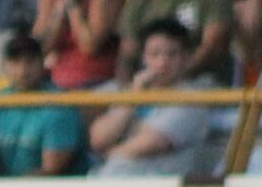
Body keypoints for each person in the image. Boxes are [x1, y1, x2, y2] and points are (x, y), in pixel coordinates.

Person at [88, 18, 209, 177]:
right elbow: (99, 139)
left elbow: (148, 145)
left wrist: (107, 155)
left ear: (186, 57)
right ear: (144, 57)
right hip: (113, 179)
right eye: (154, 54)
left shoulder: (192, 100)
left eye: (172, 54)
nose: (162, 62)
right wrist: (133, 98)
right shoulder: (134, 92)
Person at [0, 33, 81, 176]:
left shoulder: (59, 105)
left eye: (30, 61)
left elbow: (52, 169)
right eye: (15, 61)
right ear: (4, 65)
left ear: (42, 63)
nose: (23, 70)